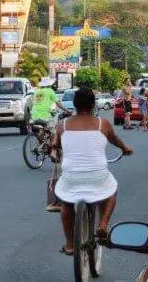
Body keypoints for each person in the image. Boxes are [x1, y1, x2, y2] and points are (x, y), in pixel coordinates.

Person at [52, 88, 133, 256]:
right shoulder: (103, 124)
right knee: (111, 191)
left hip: (71, 178)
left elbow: (55, 144)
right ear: (93, 104)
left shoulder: (63, 125)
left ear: (74, 104)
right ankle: (103, 224)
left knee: (66, 204)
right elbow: (115, 140)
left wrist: (55, 150)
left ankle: (69, 244)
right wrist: (125, 148)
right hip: (97, 176)